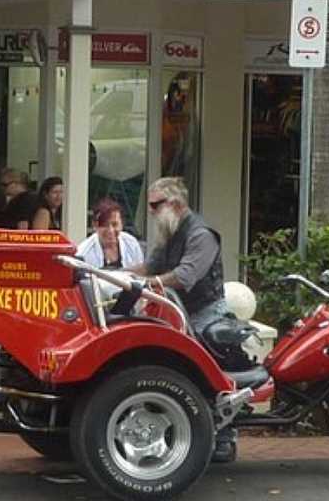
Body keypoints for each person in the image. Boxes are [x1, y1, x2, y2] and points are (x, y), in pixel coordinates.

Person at [125, 176, 236, 462]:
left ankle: (225, 436)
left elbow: (184, 277)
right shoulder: (170, 233)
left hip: (205, 314)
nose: (150, 211)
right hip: (179, 312)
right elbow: (150, 266)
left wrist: (146, 284)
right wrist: (114, 274)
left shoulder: (201, 234)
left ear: (174, 203)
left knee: (204, 374)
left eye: (155, 205)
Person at [76, 198, 144, 269]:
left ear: (122, 224)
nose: (110, 230)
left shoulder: (132, 244)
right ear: (95, 225)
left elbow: (140, 277)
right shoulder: (83, 253)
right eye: (104, 225)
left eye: (115, 224)